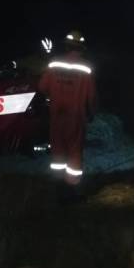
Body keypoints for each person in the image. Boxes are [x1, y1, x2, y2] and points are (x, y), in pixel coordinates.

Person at [38, 30, 96, 198]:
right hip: (76, 117)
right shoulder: (86, 67)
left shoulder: (54, 63)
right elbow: (91, 96)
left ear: (67, 46)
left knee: (58, 150)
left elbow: (42, 87)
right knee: (75, 151)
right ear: (82, 48)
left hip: (56, 115)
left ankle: (58, 187)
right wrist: (91, 112)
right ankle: (71, 190)